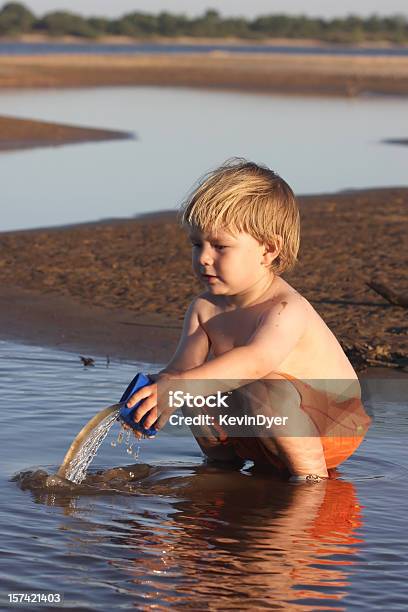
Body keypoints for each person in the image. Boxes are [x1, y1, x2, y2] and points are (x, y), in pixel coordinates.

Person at [126, 159, 371, 480]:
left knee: (264, 390)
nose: (203, 257)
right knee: (187, 388)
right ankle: (222, 468)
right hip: (261, 425)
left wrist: (181, 385)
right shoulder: (204, 308)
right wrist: (154, 399)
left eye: (220, 246)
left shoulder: (285, 308)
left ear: (268, 250)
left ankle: (312, 485)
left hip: (330, 429)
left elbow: (257, 361)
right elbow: (182, 371)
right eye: (196, 244)